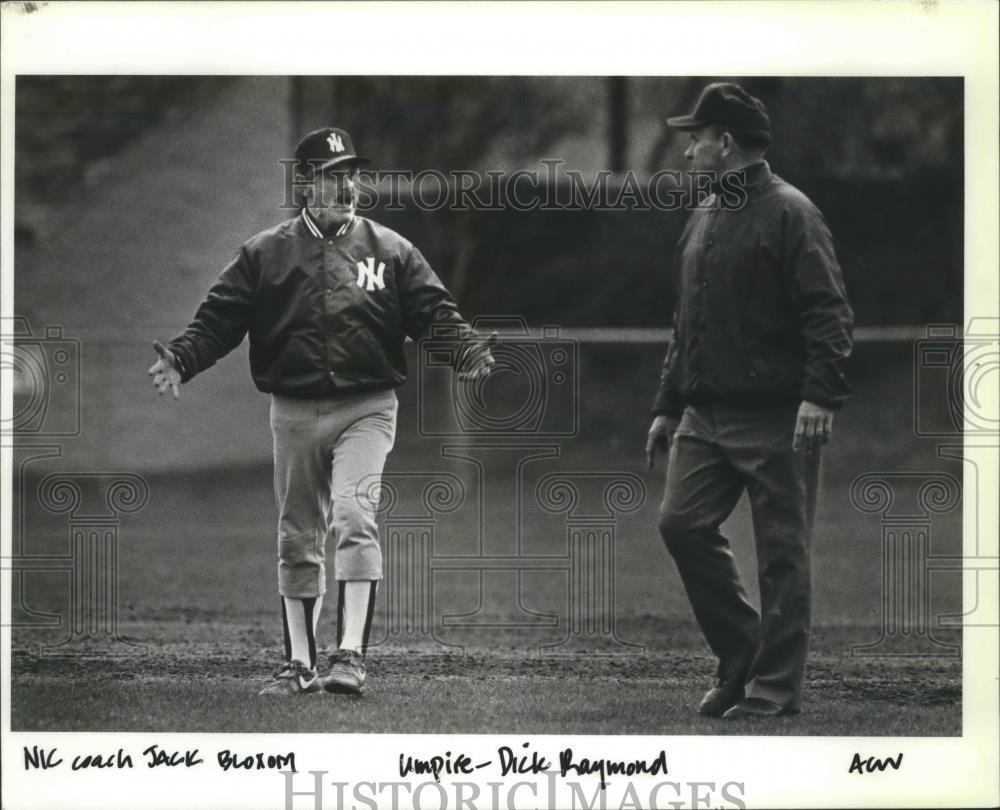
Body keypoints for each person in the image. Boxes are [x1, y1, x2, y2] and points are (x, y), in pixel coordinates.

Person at [149, 127, 494, 696]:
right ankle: (300, 666)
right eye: (334, 175)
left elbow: (433, 314)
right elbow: (221, 319)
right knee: (296, 535)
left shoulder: (389, 249)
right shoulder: (266, 253)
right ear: (306, 183)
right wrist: (183, 359)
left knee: (356, 518)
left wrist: (467, 352)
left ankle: (350, 656)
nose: (346, 185)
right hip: (294, 408)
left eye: (351, 174)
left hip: (367, 405)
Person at [645, 83, 853, 719]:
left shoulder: (791, 212)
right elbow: (689, 322)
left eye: (695, 138)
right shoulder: (706, 213)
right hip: (705, 416)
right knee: (679, 523)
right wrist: (668, 403)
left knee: (782, 554)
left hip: (775, 416)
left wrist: (819, 396)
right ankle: (743, 651)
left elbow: (829, 313)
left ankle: (773, 690)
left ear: (725, 143)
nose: (686, 151)